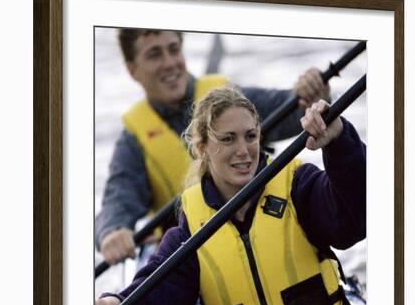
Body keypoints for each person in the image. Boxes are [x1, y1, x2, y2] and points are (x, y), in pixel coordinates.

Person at [95, 87, 366, 305]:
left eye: (251, 136)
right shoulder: (190, 234)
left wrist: (340, 140)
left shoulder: (298, 187)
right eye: (227, 139)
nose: (243, 151)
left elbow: (355, 220)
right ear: (201, 148)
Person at [95, 28, 330, 265]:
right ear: (132, 69)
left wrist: (314, 94)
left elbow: (297, 110)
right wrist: (112, 232)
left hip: (261, 230)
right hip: (195, 260)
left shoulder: (231, 100)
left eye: (174, 50)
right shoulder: (134, 141)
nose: (169, 63)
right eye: (154, 55)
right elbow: (119, 197)